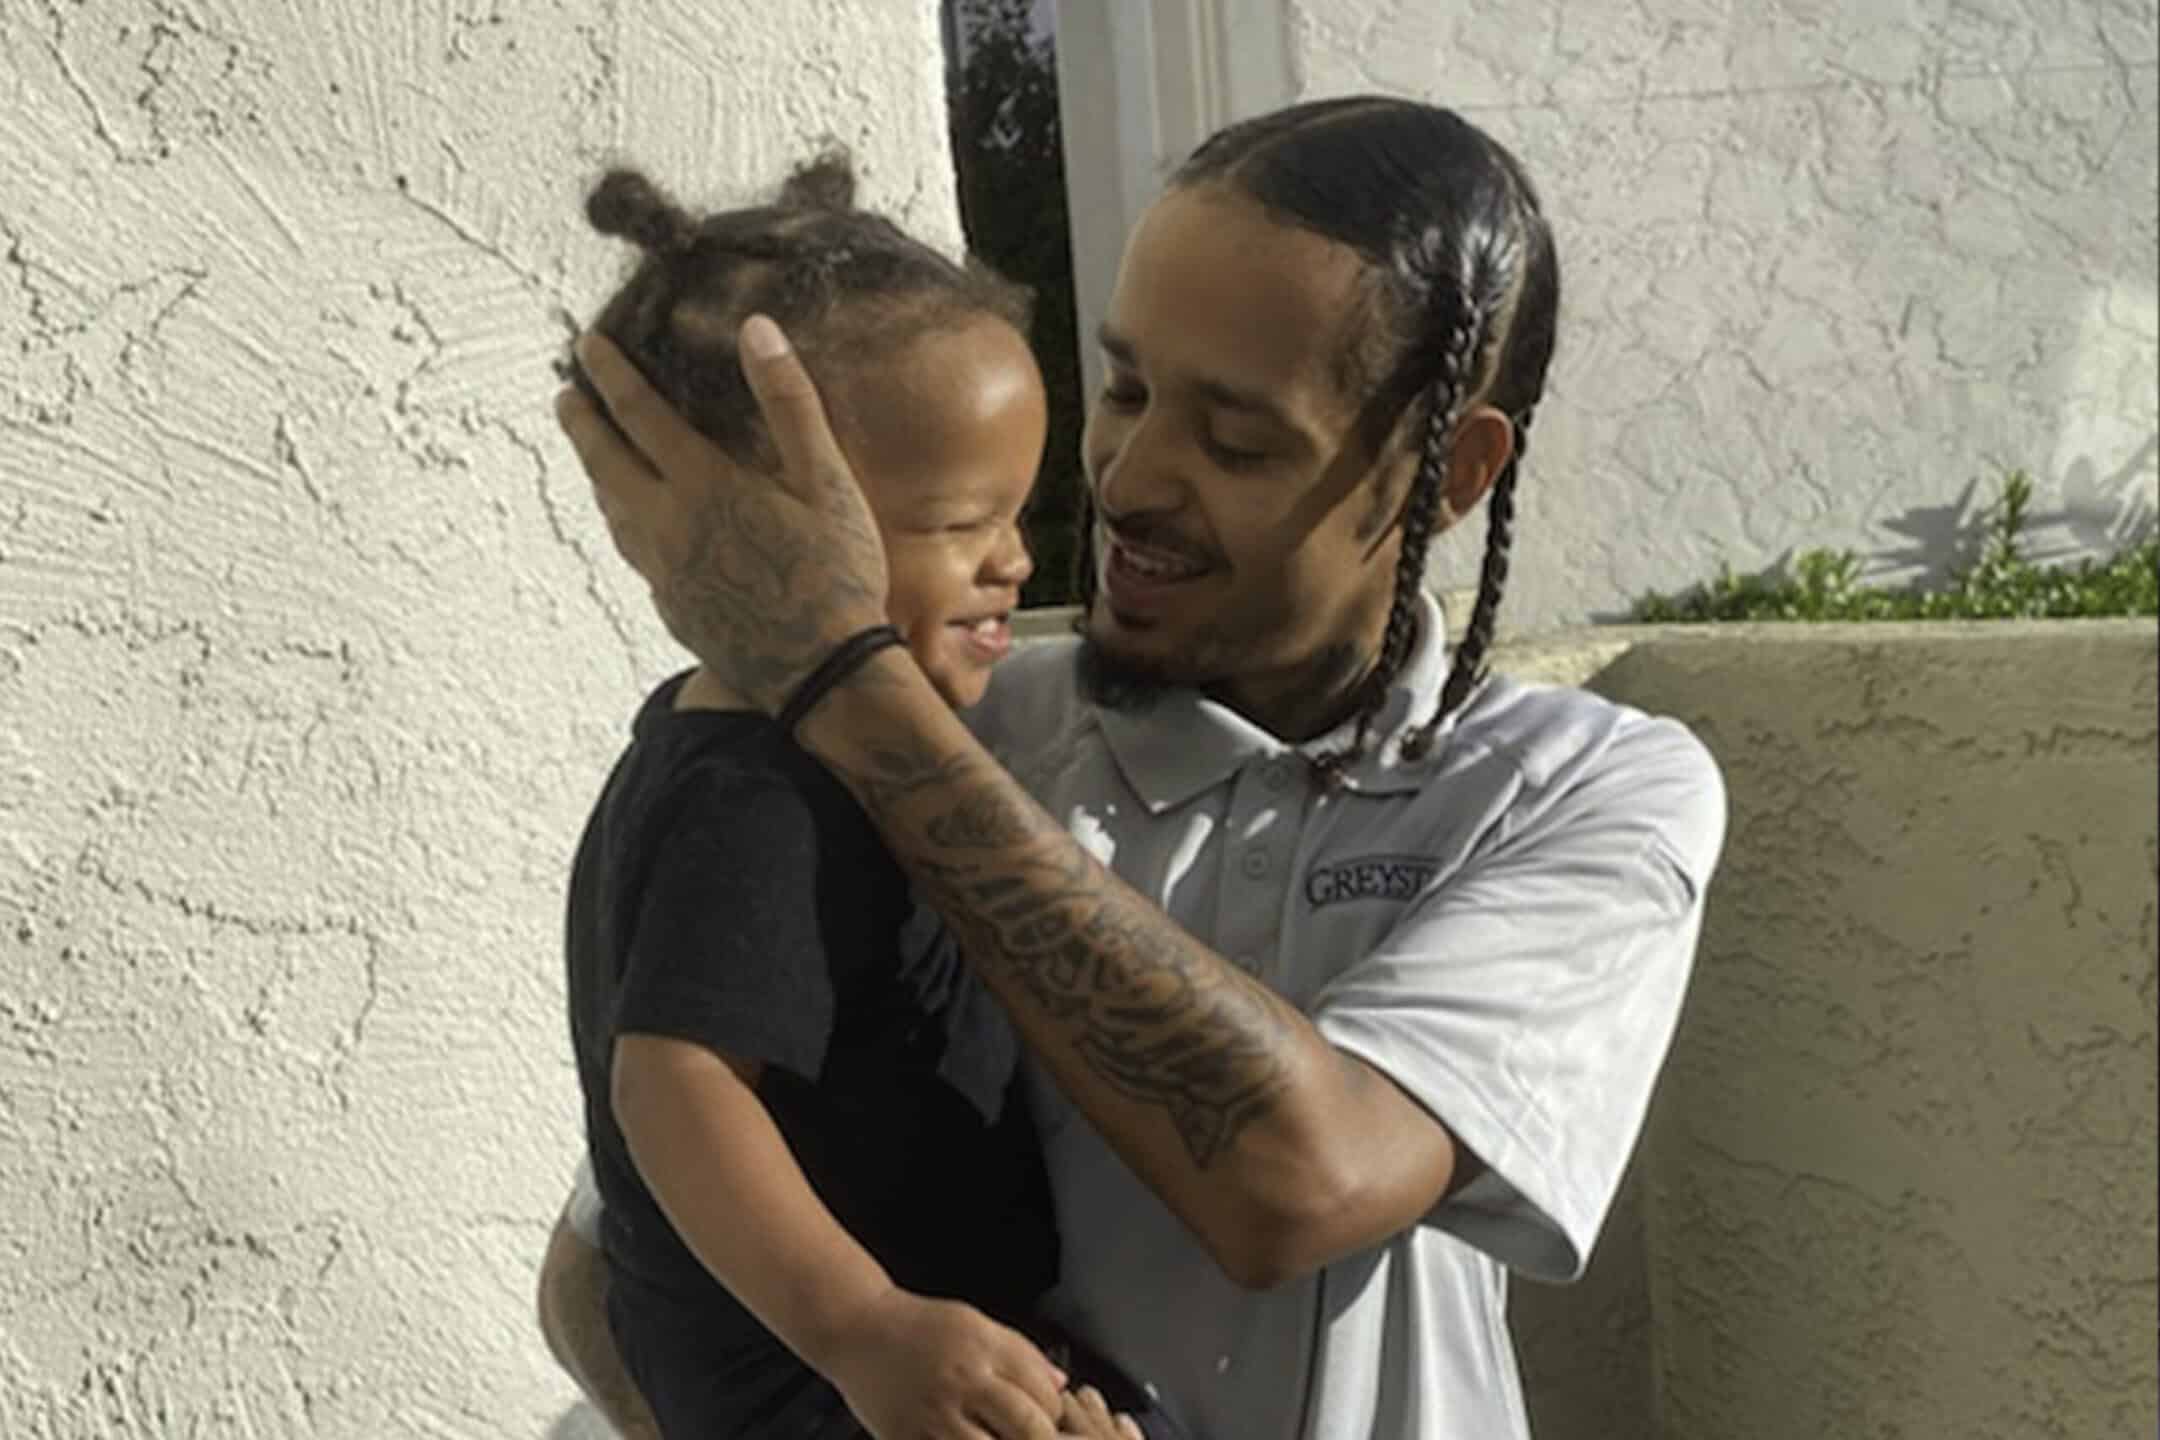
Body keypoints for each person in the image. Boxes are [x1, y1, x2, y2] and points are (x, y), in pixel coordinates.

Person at [550, 97, 1727, 1438]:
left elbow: (1297, 1185)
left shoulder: (1579, 791)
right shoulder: (933, 726)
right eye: (1123, 388)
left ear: (1446, 472)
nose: (1130, 476)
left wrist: (837, 673)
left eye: (1236, 440)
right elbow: (607, 1265)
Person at [554, 153, 1155, 1440]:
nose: (1014, 559)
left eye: (1017, 514)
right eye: (958, 523)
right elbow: (672, 1084)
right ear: (777, 522)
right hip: (832, 1388)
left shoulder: (743, 750)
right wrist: (862, 1325)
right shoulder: (764, 792)